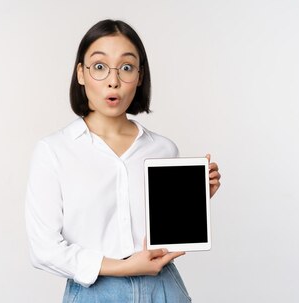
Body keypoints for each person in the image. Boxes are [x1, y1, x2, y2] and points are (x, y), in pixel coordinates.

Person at [24, 19, 221, 302]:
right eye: (100, 67)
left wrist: (194, 199)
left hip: (164, 288)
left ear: (140, 76)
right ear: (81, 73)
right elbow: (44, 250)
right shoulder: (54, 151)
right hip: (96, 292)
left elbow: (162, 234)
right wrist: (123, 267)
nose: (113, 81)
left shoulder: (163, 149)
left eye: (126, 67)